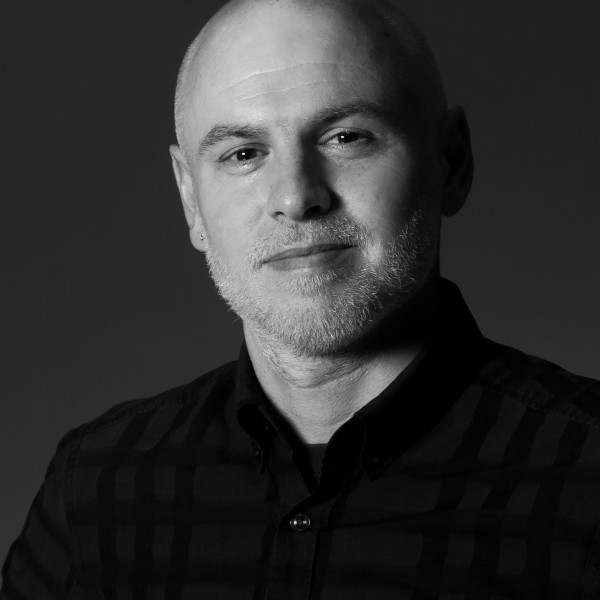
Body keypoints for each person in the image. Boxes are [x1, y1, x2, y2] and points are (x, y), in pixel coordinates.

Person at [2, 0, 600, 598]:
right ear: (190, 199)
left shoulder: (586, 473)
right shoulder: (96, 488)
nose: (295, 197)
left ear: (452, 161)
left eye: (346, 137)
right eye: (243, 154)